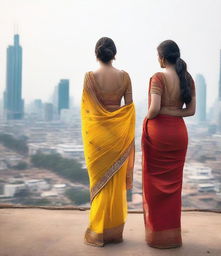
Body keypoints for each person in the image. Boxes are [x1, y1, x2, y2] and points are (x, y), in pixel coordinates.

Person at [81, 37, 135, 247]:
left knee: (101, 185)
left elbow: (88, 113)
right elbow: (128, 108)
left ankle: (97, 231)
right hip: (119, 138)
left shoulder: (90, 78)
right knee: (115, 186)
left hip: (98, 140)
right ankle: (114, 233)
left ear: (96, 53)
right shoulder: (125, 77)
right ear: (114, 54)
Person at [141, 40, 196, 248]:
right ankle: (172, 237)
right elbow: (190, 111)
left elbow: (154, 109)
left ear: (162, 58)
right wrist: (173, 112)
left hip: (159, 135)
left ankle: (157, 236)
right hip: (178, 134)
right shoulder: (187, 78)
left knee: (155, 187)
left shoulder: (158, 78)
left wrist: (148, 117)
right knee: (174, 188)